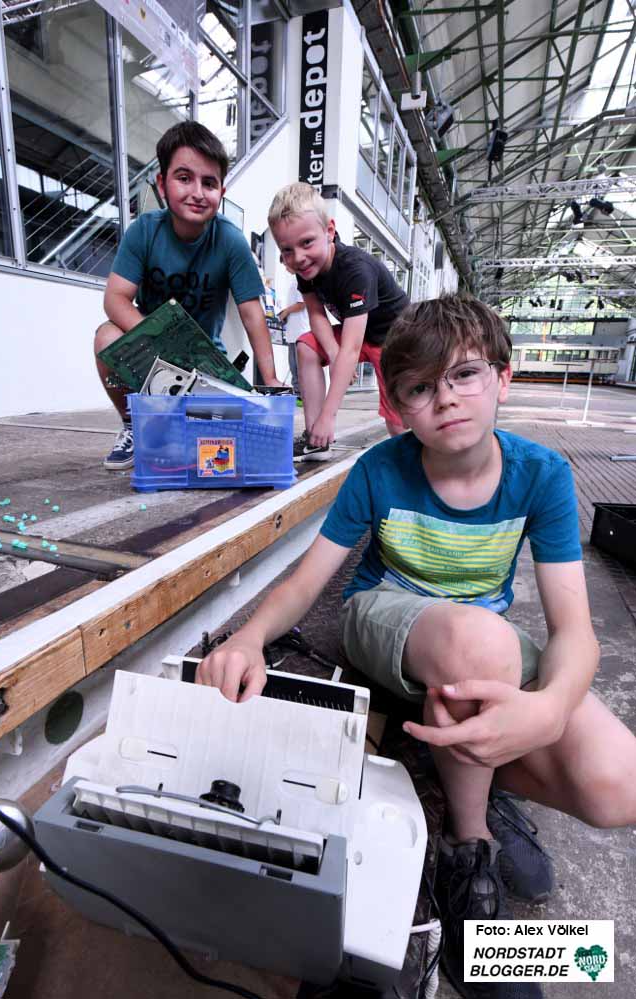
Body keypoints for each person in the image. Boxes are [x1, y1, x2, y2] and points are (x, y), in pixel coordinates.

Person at [195, 294, 636, 999]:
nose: (447, 398)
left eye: (465, 374)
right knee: (481, 644)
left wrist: (551, 709)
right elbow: (307, 582)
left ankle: (452, 763)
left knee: (620, 785)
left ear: (503, 377)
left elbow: (574, 629)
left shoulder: (543, 473)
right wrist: (247, 636)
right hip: (385, 617)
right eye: (421, 387)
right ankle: (469, 849)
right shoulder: (379, 469)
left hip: (479, 646)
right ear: (398, 405)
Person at [94, 121, 281, 470]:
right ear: (162, 184)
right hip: (151, 355)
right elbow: (115, 298)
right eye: (184, 178)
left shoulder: (231, 241)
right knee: (106, 336)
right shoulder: (143, 232)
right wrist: (163, 342)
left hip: (207, 366)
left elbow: (252, 312)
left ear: (221, 191)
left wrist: (269, 379)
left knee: (231, 451)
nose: (197, 192)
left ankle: (180, 426)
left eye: (208, 183)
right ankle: (134, 423)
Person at [267, 182, 409, 460]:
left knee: (396, 420)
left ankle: (413, 464)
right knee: (306, 346)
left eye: (307, 243)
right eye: (287, 250)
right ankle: (316, 439)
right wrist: (332, 351)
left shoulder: (355, 270)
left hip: (395, 340)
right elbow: (316, 315)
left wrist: (329, 415)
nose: (298, 258)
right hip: (361, 335)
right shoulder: (306, 270)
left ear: (329, 231)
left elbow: (351, 349)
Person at [278, 271, 310, 397]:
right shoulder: (293, 280)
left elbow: (302, 304)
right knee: (293, 368)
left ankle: (304, 396)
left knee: (301, 368)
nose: (286, 268)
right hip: (292, 333)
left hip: (301, 332)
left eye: (286, 264)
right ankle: (298, 395)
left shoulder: (300, 280)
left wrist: (286, 312)